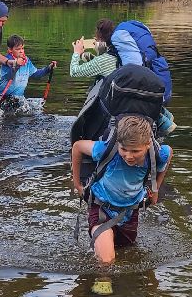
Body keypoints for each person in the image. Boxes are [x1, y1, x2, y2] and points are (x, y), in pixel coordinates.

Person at [71, 114, 172, 265]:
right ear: (117, 143)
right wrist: (77, 184)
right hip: (101, 208)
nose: (128, 156)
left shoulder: (157, 154)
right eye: (123, 149)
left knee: (125, 252)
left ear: (148, 144)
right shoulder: (106, 149)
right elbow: (77, 146)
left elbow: (169, 152)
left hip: (130, 212)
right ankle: (102, 284)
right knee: (106, 261)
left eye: (135, 151)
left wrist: (155, 188)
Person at [70, 18, 175, 136]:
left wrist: (76, 53)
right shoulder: (122, 53)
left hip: (118, 105)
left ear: (101, 39)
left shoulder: (104, 60)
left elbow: (74, 71)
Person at [0, 35, 56, 113]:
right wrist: (16, 65)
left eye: (22, 48)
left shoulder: (27, 61)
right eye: (18, 49)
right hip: (3, 97)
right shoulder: (8, 61)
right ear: (10, 50)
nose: (21, 51)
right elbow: (8, 77)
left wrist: (48, 68)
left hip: (19, 98)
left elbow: (36, 74)